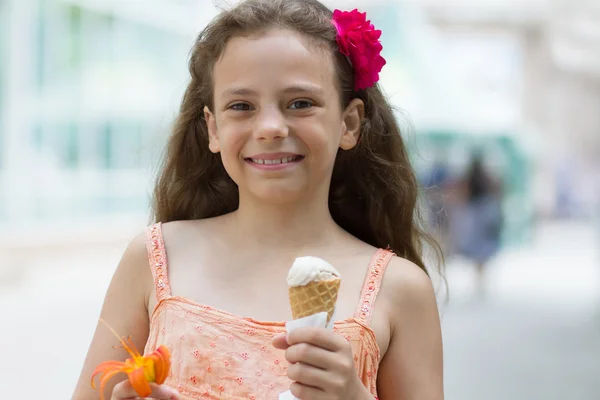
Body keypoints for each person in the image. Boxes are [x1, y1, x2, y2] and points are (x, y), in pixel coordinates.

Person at [72, 1, 443, 399]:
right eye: (241, 106)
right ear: (213, 129)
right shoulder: (154, 257)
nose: (269, 127)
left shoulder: (400, 290)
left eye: (300, 103)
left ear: (349, 123)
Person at [452, 151, 503, 295]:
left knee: (478, 246)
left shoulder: (472, 177)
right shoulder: (486, 177)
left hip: (476, 213)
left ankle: (479, 277)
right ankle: (480, 278)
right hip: (482, 212)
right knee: (481, 247)